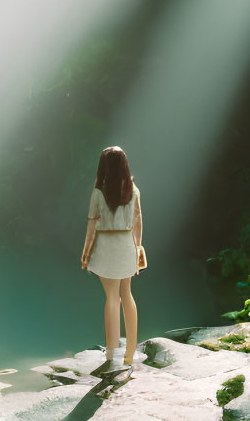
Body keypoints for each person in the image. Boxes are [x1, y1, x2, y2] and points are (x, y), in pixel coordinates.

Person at [80, 145, 142, 375]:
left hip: (105, 246)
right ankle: (130, 354)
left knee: (111, 298)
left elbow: (90, 226)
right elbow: (138, 223)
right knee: (127, 295)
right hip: (126, 245)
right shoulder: (133, 190)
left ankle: (111, 354)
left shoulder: (98, 192)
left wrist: (86, 253)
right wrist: (137, 249)